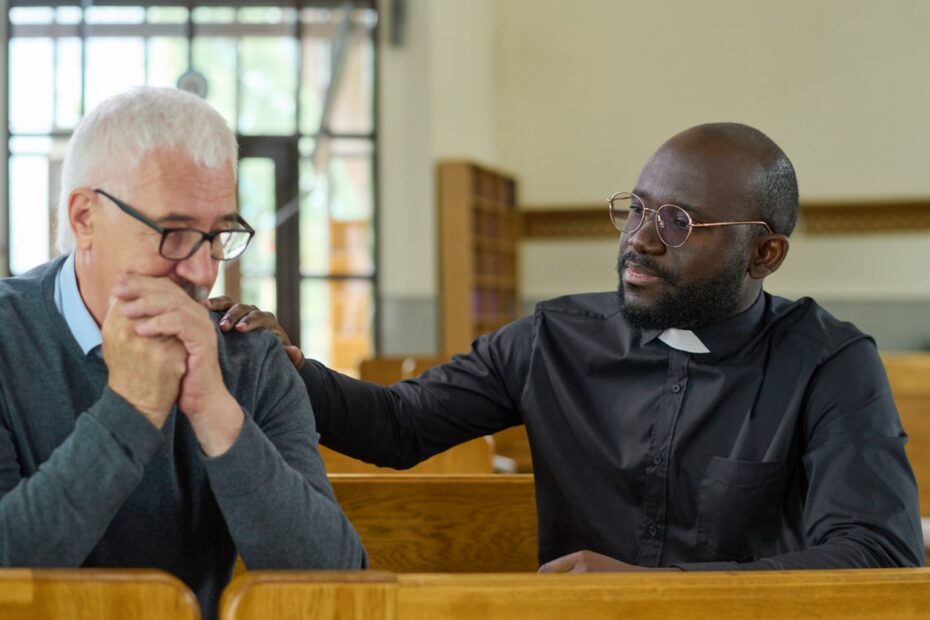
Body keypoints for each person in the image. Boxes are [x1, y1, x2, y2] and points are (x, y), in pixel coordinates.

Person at [216, 122, 924, 571]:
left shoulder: (829, 363)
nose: (640, 239)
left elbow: (878, 551)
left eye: (678, 222)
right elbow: (398, 425)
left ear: (763, 254)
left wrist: (647, 595)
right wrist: (293, 367)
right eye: (637, 209)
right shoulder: (553, 338)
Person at [0, 86, 365, 619]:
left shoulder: (249, 360)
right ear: (84, 218)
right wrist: (131, 409)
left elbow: (336, 587)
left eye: (219, 235)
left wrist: (215, 410)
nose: (203, 270)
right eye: (173, 233)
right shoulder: (9, 339)